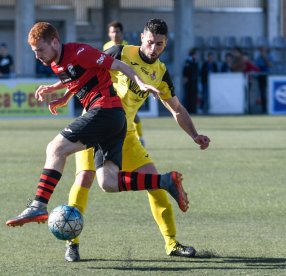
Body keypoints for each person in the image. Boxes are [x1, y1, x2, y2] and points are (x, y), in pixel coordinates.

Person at [6, 22, 197, 233]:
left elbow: (119, 66)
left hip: (105, 111)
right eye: (35, 52)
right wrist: (61, 96)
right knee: (108, 183)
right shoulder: (55, 62)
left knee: (55, 149)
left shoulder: (80, 51)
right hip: (115, 121)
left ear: (54, 42)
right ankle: (165, 180)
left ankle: (38, 205)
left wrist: (141, 83)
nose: (37, 56)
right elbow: (79, 78)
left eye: (40, 50)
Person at [64, 18, 211, 262]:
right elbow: (87, 73)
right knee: (85, 178)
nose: (154, 49)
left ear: (166, 44)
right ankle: (72, 242)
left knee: (156, 183)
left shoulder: (161, 73)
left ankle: (172, 243)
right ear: (142, 37)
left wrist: (195, 135)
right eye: (151, 42)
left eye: (160, 45)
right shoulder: (120, 52)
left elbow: (176, 109)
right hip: (95, 124)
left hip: (126, 133)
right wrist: (61, 93)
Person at [103, 20, 145, 146]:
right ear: (109, 34)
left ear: (122, 33)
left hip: (127, 86)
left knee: (133, 116)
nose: (115, 34)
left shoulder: (128, 47)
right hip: (113, 86)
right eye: (112, 32)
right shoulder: (106, 47)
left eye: (117, 31)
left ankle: (140, 138)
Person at [254, 46, 273, 113]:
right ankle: (264, 109)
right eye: (261, 51)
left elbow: (270, 65)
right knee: (262, 93)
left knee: (270, 93)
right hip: (261, 77)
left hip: (268, 77)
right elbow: (257, 67)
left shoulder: (270, 57)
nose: (262, 52)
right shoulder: (258, 58)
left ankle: (271, 108)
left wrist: (265, 58)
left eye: (263, 50)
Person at [183, 48, 200, 114]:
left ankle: (193, 109)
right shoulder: (188, 61)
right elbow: (185, 71)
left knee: (194, 96)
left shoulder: (195, 62)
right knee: (188, 95)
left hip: (194, 81)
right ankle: (188, 110)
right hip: (189, 81)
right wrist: (185, 78)